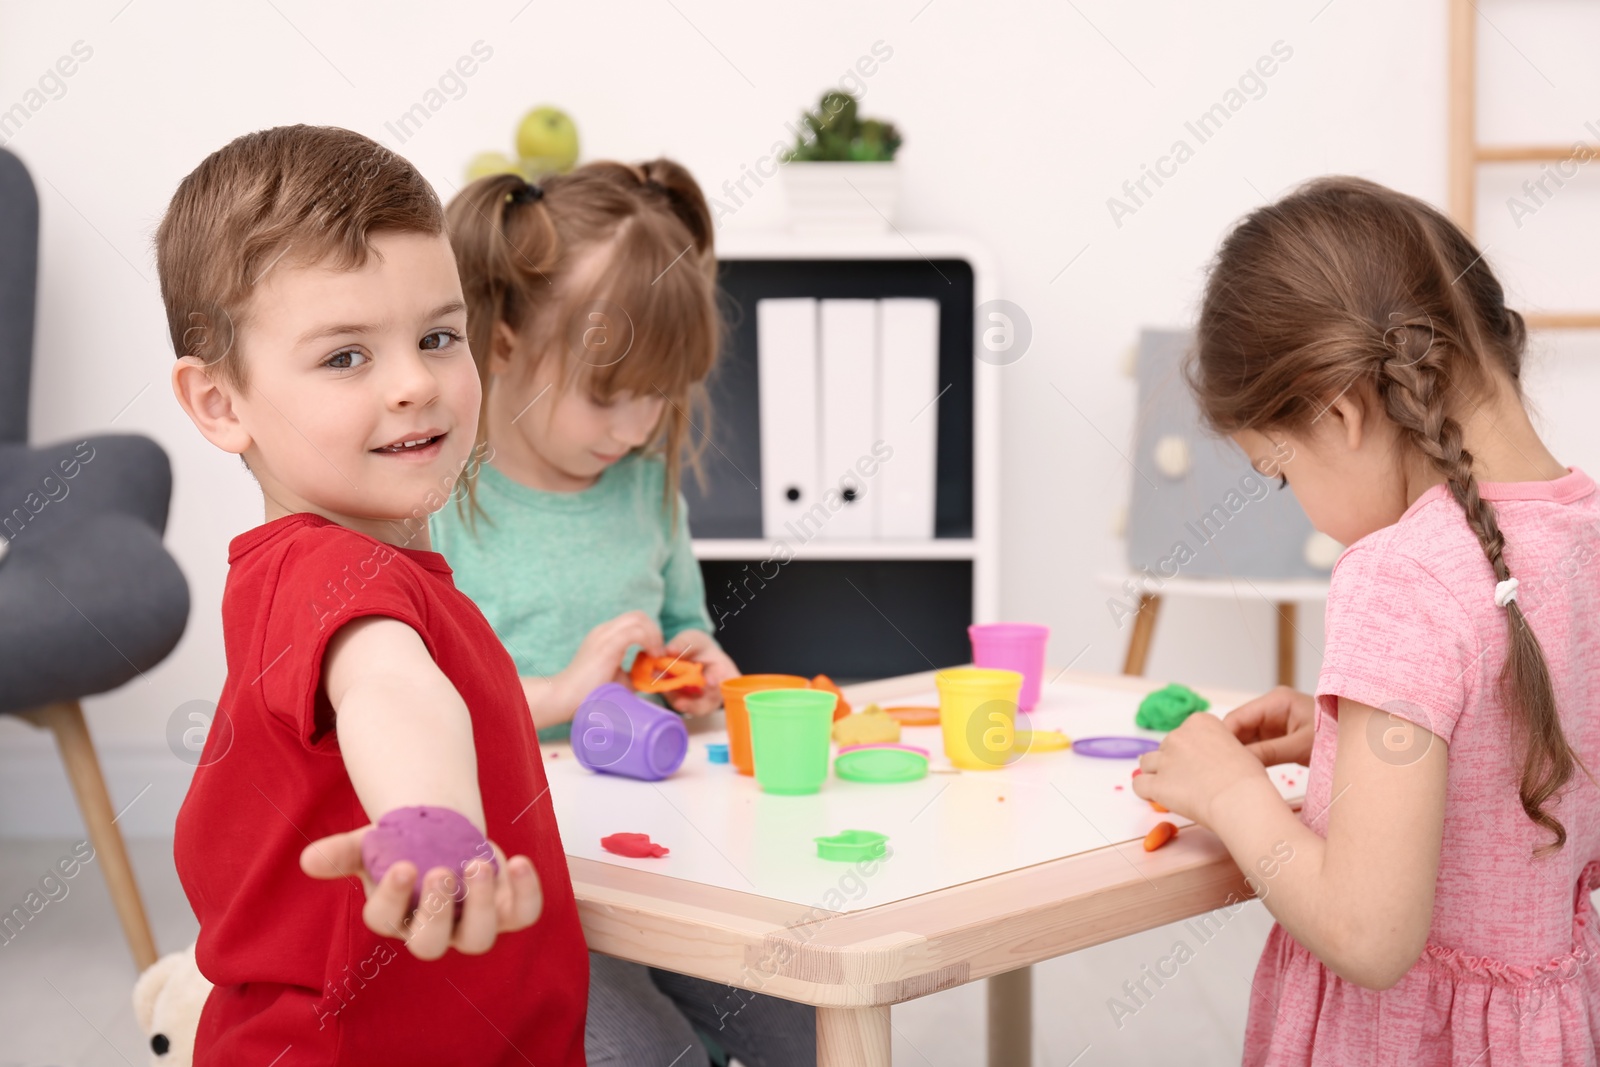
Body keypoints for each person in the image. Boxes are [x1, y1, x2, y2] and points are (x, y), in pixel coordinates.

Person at [1133, 175, 1600, 1065]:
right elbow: (1545, 792)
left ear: (1343, 411)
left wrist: (1229, 792)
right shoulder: (1586, 530)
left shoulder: (1401, 573)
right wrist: (1355, 745)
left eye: (1279, 472)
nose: (1293, 498)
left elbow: (1368, 931)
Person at [164, 125, 586, 1065]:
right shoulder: (327, 573)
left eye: (439, 336)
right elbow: (393, 691)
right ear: (219, 402)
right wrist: (431, 818)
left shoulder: (371, 571)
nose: (414, 384)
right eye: (346, 356)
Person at [433, 162, 817, 1066]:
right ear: (504, 340)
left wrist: (707, 679)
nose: (639, 426)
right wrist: (564, 690)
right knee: (642, 1053)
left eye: (661, 393)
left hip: (653, 855)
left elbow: (685, 623)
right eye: (609, 394)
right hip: (521, 866)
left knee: (796, 1026)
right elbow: (422, 708)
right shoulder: (443, 498)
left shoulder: (646, 490)